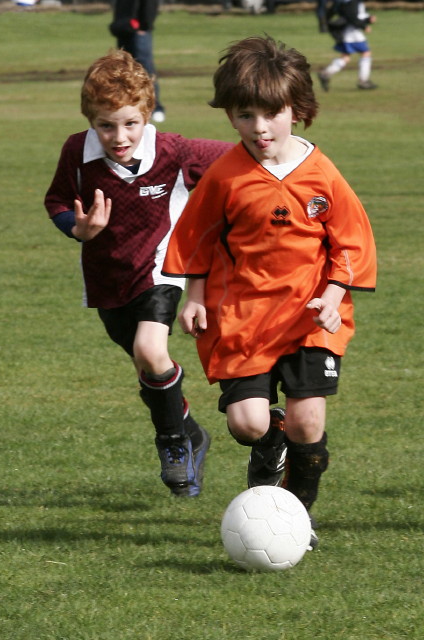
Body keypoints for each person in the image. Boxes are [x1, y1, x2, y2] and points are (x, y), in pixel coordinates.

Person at [162, 36, 377, 547]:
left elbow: (350, 240)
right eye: (245, 116)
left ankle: (295, 519)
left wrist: (332, 293)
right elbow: (195, 236)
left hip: (309, 317)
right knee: (248, 425)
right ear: (230, 116)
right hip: (244, 316)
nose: (259, 128)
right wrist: (193, 296)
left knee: (309, 422)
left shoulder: (322, 174)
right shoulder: (226, 177)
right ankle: (269, 438)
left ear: (297, 109)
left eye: (272, 114)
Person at [44, 49, 232, 498]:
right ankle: (191, 432)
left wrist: (290, 159)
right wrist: (78, 227)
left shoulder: (172, 150)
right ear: (91, 119)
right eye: (106, 124)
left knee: (151, 351)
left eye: (131, 123)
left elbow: (236, 159)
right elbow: (55, 201)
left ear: (147, 114)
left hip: (161, 268)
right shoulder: (77, 151)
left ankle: (172, 444)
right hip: (107, 280)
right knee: (151, 370)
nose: (119, 135)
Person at [109, 0, 166, 122]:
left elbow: (150, 5)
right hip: (124, 30)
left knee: (145, 69)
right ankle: (128, 105)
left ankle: (155, 107)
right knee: (124, 69)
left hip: (139, 32)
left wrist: (145, 25)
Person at [318, 0, 377, 91]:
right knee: (366, 53)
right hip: (353, 33)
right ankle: (363, 81)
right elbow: (352, 17)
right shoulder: (352, 2)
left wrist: (368, 19)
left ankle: (325, 73)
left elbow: (354, 15)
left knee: (345, 57)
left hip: (347, 33)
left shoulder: (346, 2)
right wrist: (364, 26)